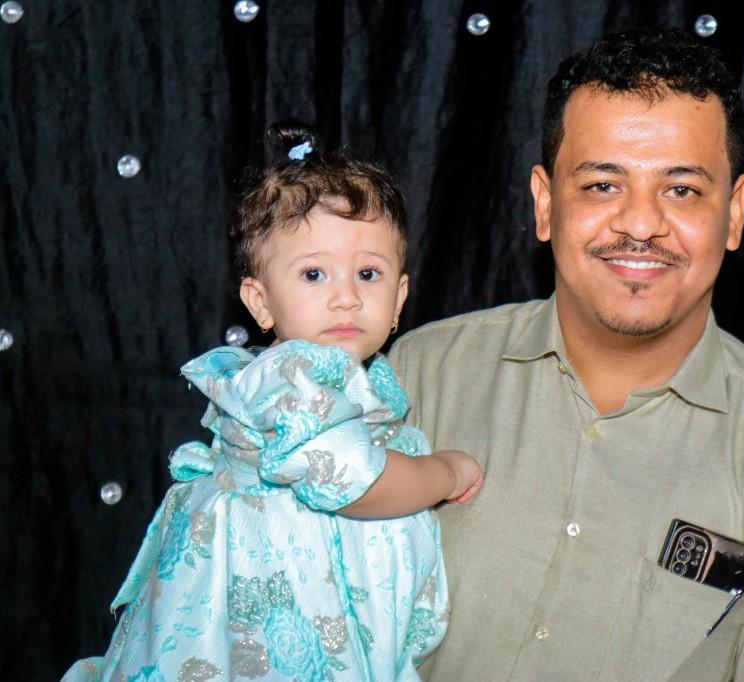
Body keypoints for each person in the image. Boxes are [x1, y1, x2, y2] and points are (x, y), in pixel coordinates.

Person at [389, 27, 744, 680]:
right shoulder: (423, 373)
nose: (641, 224)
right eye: (602, 185)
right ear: (545, 204)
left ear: (735, 213)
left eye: (681, 190)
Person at [64, 122, 483, 682]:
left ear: (400, 296)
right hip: (272, 628)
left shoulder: (363, 380)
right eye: (314, 273)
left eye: (368, 273)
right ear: (260, 302)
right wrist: (445, 471)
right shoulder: (291, 379)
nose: (346, 296)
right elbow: (354, 484)